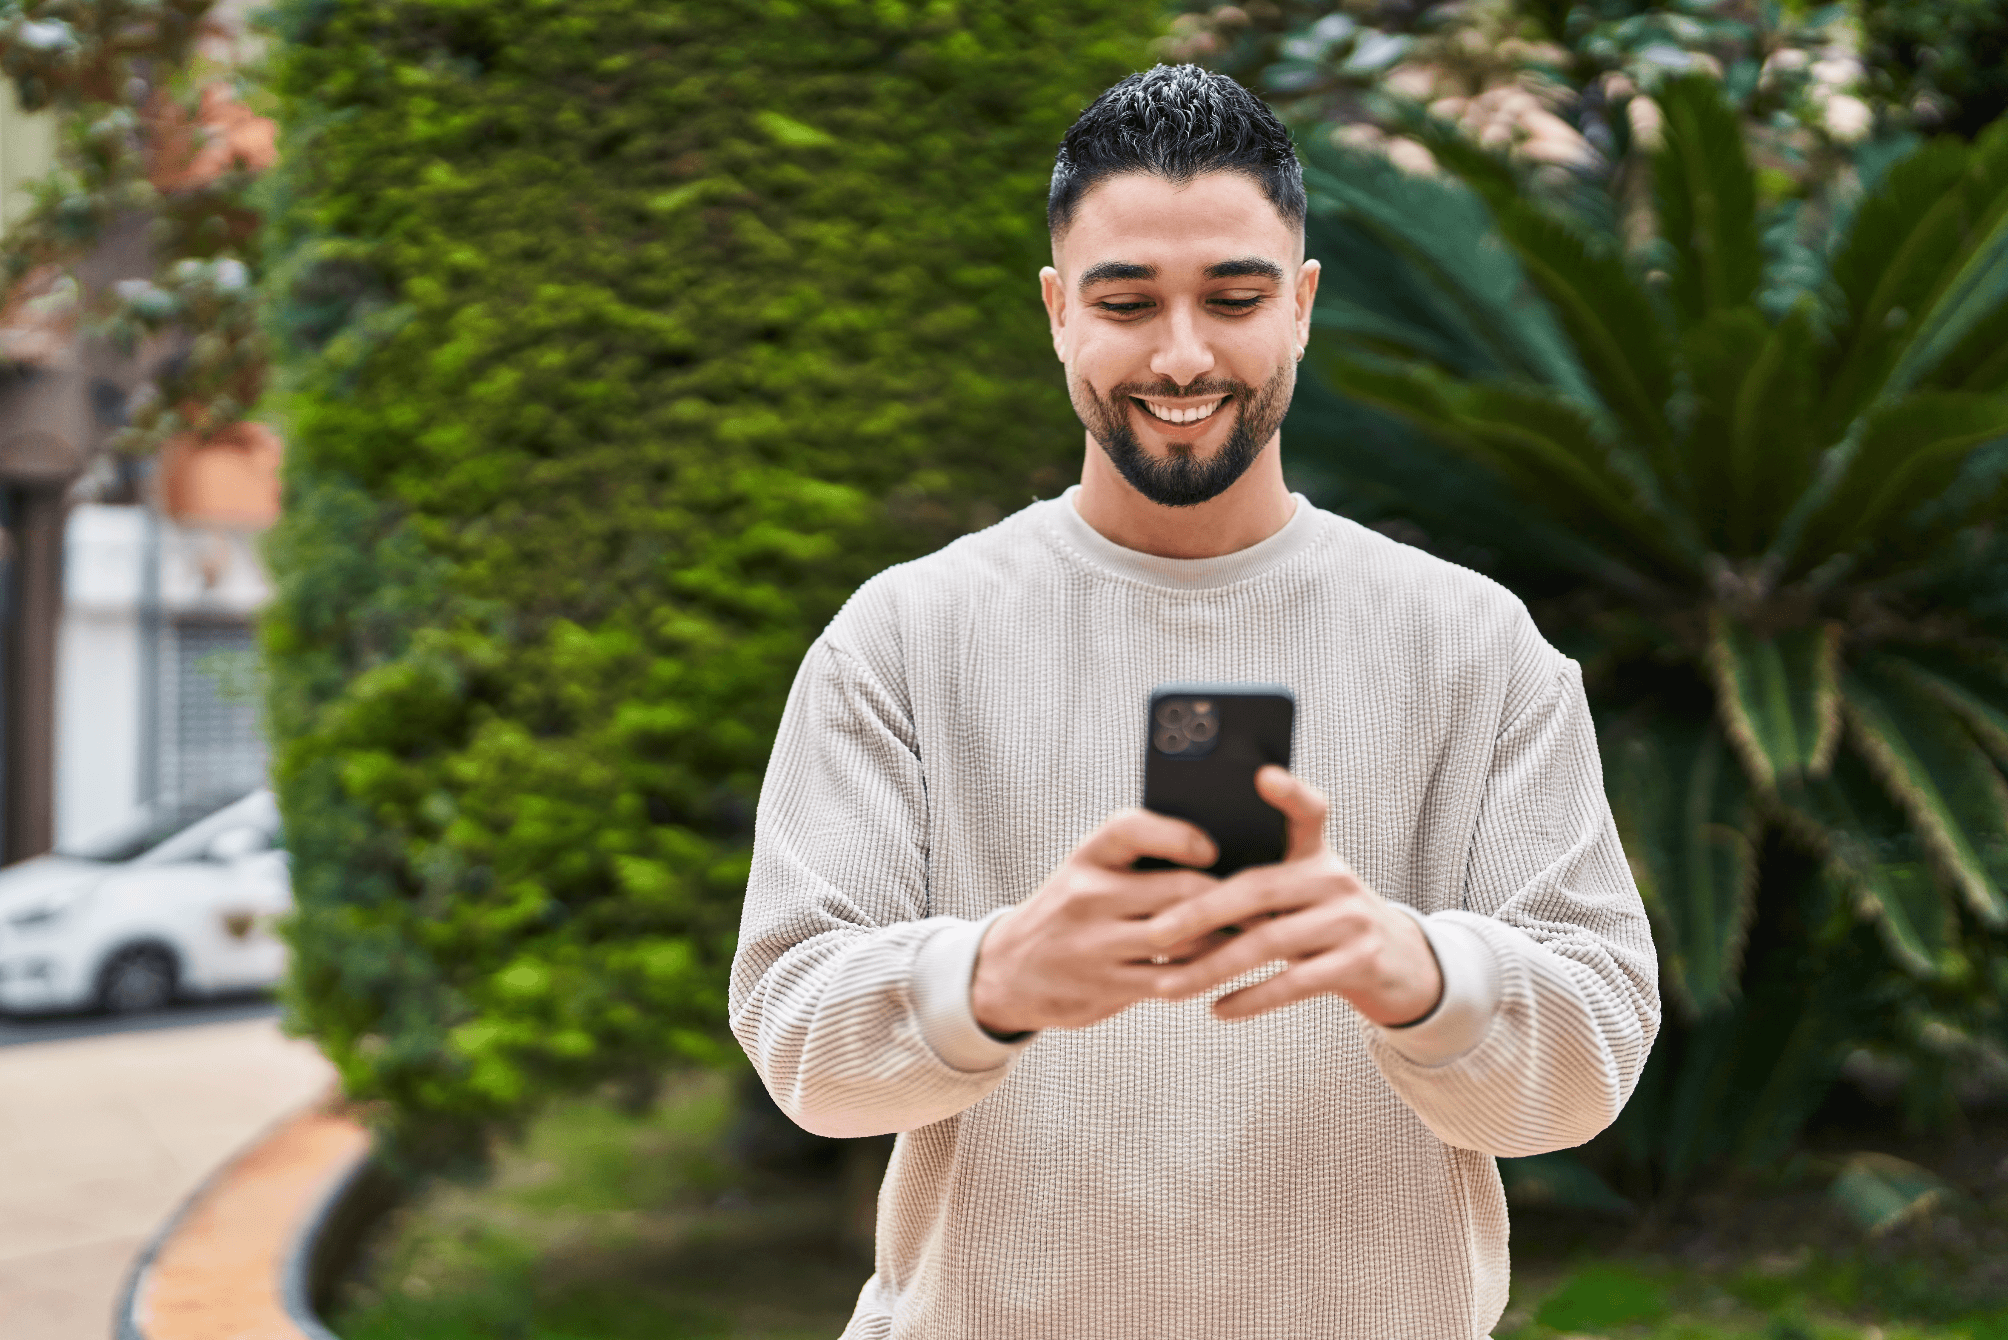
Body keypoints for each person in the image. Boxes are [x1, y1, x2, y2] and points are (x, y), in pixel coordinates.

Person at [730, 63, 1659, 1340]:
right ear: (1058, 312)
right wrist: (996, 976)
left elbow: (1593, 1057)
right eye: (1126, 301)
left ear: (1303, 306)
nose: (1182, 353)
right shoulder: (902, 636)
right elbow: (796, 1037)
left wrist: (1416, 971)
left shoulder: (1473, 645)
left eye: (1234, 296)